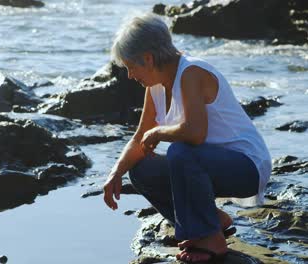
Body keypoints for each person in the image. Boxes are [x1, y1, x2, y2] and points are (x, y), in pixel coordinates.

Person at [102, 13, 271, 263]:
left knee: (180, 151)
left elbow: (194, 133)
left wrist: (158, 132)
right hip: (206, 165)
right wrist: (115, 173)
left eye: (130, 67)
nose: (129, 75)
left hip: (246, 168)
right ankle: (210, 222)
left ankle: (211, 240)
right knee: (140, 168)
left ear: (147, 59)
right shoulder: (155, 86)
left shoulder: (192, 72)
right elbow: (140, 139)